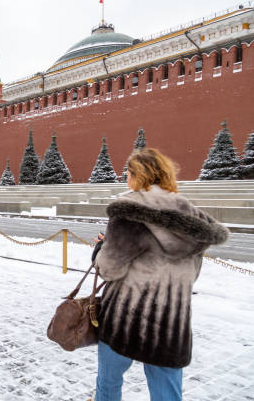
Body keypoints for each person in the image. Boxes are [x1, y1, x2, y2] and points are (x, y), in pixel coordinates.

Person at [92, 148, 228, 401]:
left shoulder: (129, 213)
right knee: (167, 393)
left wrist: (101, 247)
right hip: (171, 323)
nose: (126, 179)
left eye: (128, 173)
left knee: (108, 384)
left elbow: (109, 269)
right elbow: (192, 275)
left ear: (137, 176)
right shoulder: (193, 217)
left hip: (125, 319)